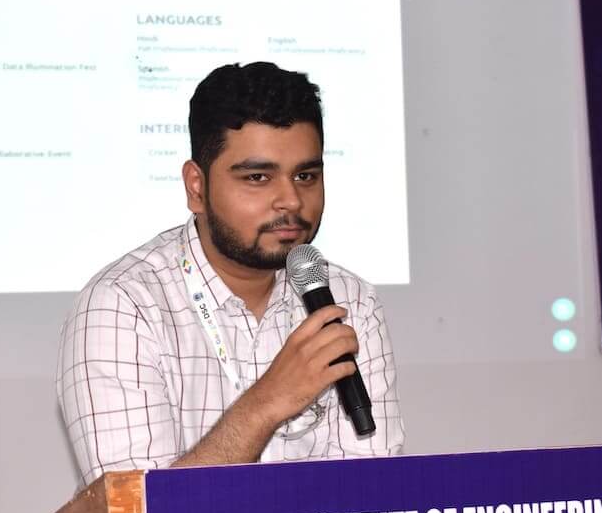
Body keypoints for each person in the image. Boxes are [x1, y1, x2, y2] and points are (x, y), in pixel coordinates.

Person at [56, 62, 404, 487]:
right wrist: (268, 402)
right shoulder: (123, 308)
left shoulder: (350, 301)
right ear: (196, 187)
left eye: (305, 176)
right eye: (258, 177)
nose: (291, 200)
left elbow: (372, 498)